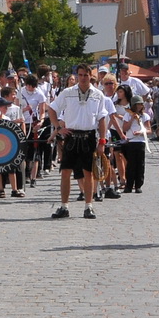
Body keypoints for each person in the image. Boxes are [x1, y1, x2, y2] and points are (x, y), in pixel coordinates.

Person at [47, 63, 112, 220]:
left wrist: (102, 141)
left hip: (88, 136)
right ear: (77, 76)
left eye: (86, 75)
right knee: (65, 172)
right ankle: (64, 206)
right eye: (80, 75)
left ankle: (88, 206)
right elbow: (52, 108)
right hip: (71, 135)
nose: (83, 78)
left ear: (90, 76)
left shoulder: (98, 95)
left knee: (88, 173)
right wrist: (58, 127)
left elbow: (102, 119)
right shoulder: (68, 93)